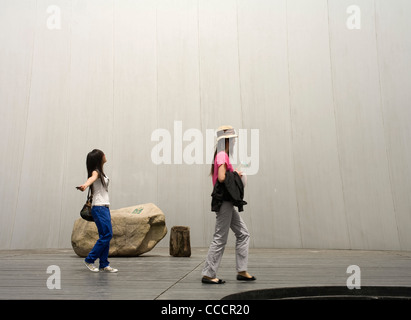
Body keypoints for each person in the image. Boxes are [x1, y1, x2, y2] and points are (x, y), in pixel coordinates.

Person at [201, 126, 256, 284]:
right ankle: (209, 273)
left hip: (227, 202)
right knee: (220, 237)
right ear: (226, 141)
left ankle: (242, 270)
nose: (233, 143)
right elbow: (221, 178)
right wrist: (236, 175)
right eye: (232, 140)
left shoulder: (221, 156)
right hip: (224, 202)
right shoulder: (222, 156)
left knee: (243, 234)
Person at [77, 149, 118, 273]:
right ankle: (89, 259)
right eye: (103, 154)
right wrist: (85, 185)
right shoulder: (96, 172)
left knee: (104, 235)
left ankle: (104, 264)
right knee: (107, 235)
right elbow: (92, 179)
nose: (105, 155)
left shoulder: (101, 172)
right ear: (99, 158)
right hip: (99, 207)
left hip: (104, 207)